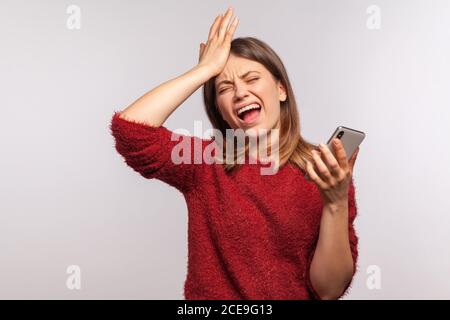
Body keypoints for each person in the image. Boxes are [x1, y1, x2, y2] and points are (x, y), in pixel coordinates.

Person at [110, 6, 360, 300]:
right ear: (221, 111)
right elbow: (130, 131)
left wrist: (335, 202)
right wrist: (203, 71)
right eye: (225, 87)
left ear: (281, 90)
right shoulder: (204, 161)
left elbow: (329, 290)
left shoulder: (325, 172)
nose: (240, 92)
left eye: (252, 79)